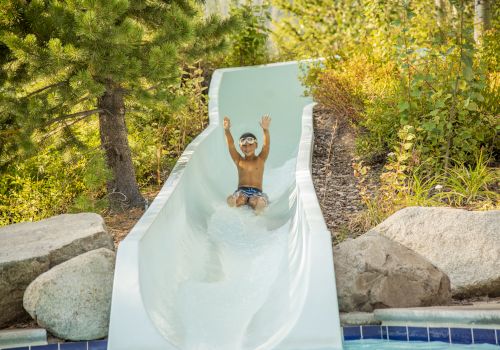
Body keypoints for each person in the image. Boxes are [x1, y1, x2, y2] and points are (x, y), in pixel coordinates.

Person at [223, 114, 271, 213]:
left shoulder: (260, 159)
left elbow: (266, 146)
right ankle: (233, 201)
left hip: (257, 192)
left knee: (257, 202)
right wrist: (227, 130)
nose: (247, 148)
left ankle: (258, 214)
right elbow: (231, 145)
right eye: (244, 146)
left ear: (256, 145)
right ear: (240, 147)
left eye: (250, 145)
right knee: (239, 199)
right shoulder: (239, 160)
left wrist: (265, 130)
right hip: (242, 191)